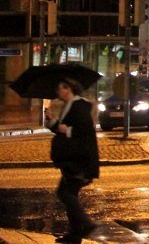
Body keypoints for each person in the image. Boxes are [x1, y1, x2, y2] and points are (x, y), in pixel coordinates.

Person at [45, 78, 100, 243]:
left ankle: (86, 223)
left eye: (60, 89)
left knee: (65, 192)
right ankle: (75, 234)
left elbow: (84, 130)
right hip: (73, 158)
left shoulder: (79, 106)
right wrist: (52, 120)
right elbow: (61, 129)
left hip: (80, 158)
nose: (57, 92)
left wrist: (66, 129)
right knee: (70, 193)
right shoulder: (69, 105)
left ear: (68, 89)